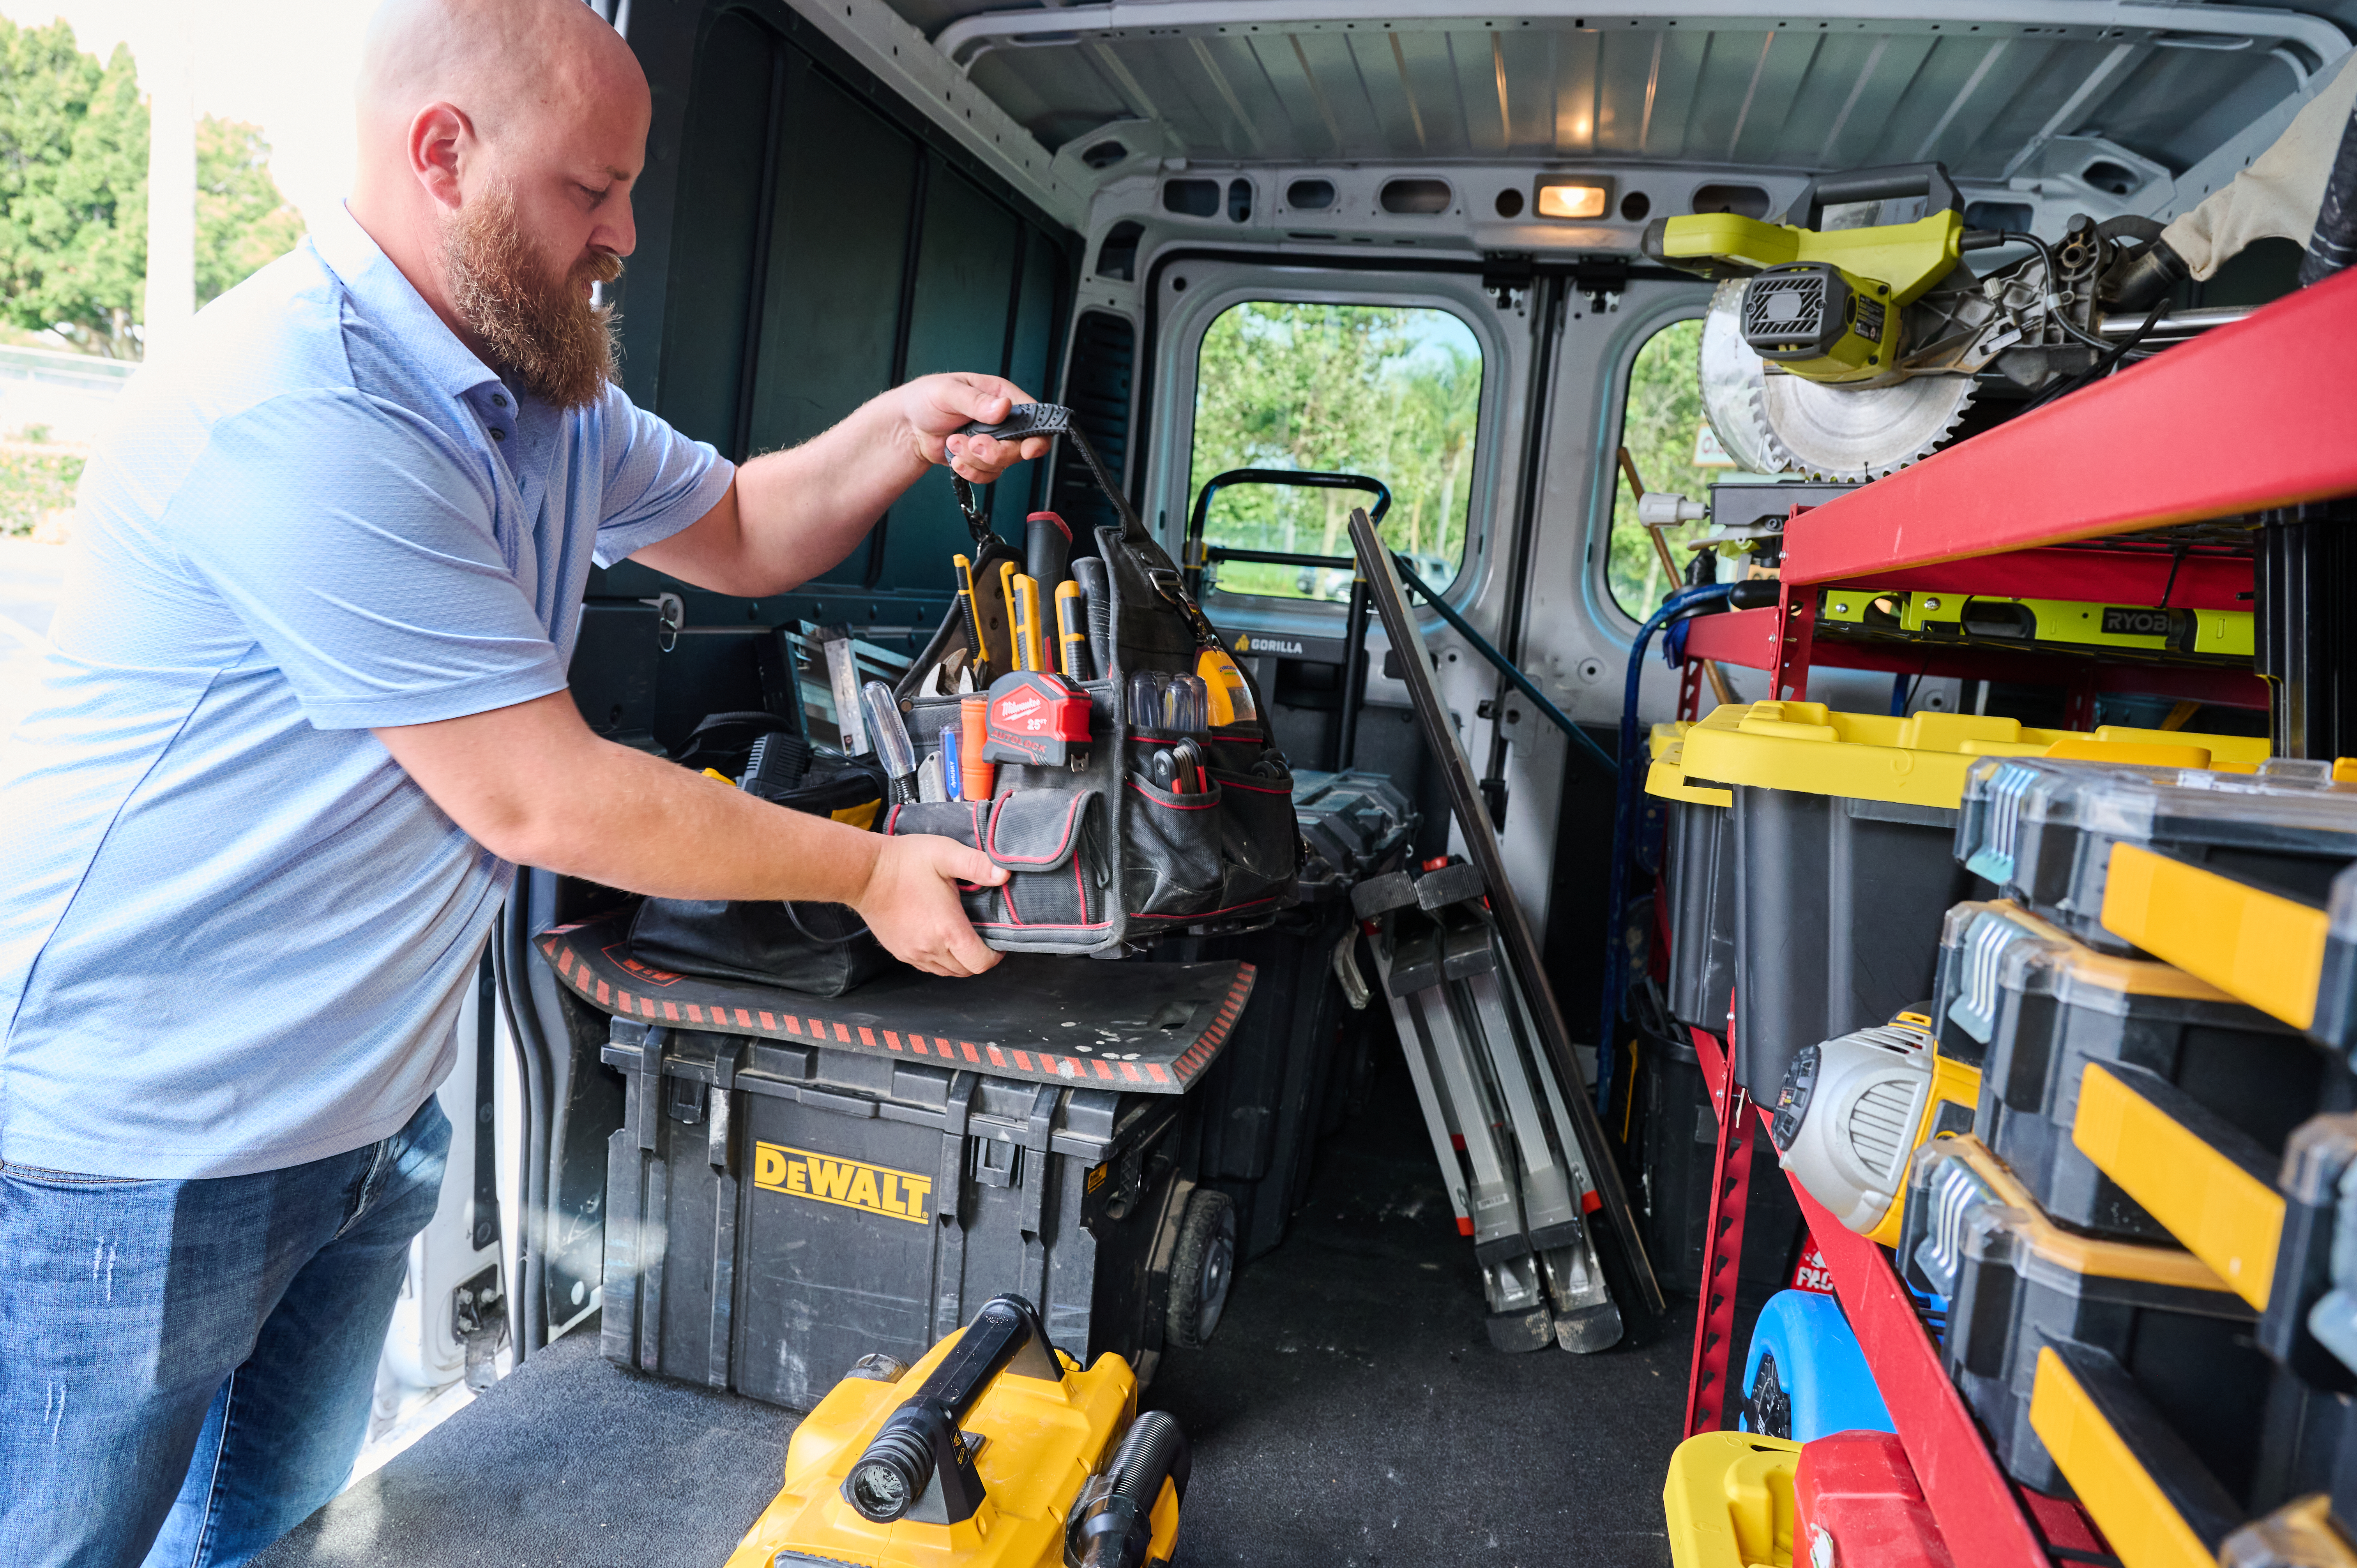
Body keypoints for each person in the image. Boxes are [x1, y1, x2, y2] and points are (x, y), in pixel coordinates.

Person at [0, 0, 1046, 1561]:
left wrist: (898, 428)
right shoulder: (304, 403)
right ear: (445, 156)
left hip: (358, 1119)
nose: (627, 231)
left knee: (272, 1531)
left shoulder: (542, 398)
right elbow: (541, 796)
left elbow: (750, 526)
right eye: (591, 188)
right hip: (137, 1152)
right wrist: (871, 868)